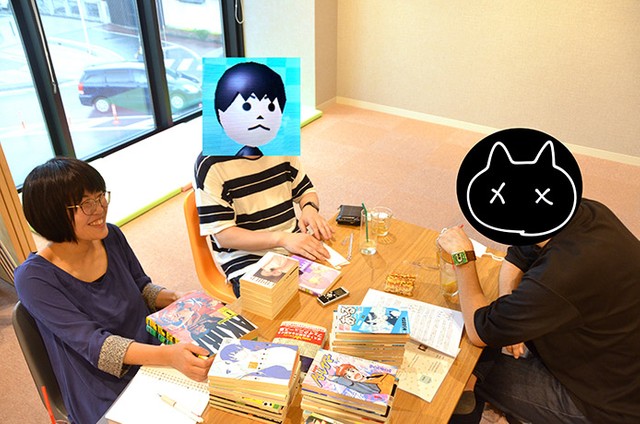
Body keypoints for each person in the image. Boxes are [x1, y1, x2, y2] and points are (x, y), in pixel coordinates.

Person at [14, 158, 214, 424]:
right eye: (86, 204)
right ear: (52, 214)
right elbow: (97, 347)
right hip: (102, 386)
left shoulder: (111, 236)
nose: (100, 208)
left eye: (100, 196)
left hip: (154, 353)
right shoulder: (34, 278)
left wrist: (175, 297)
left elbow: (141, 287)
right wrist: (167, 356)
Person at [438, 198, 640, 423]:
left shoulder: (561, 276)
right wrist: (510, 310)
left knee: (459, 372)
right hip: (612, 358)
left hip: (602, 404)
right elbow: (516, 258)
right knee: (486, 341)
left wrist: (463, 258)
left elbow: (479, 330)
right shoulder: (581, 212)